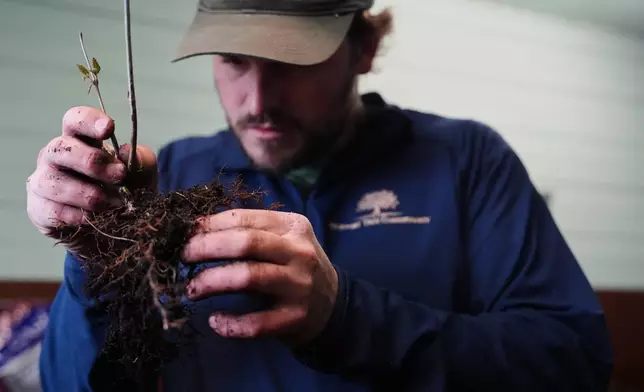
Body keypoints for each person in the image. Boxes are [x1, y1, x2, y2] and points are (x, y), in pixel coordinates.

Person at [26, 0, 613, 391]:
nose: (256, 101)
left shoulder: (467, 162)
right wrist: (96, 264)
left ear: (364, 48)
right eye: (233, 61)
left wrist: (349, 318)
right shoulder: (174, 172)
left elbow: (572, 361)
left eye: (288, 61)